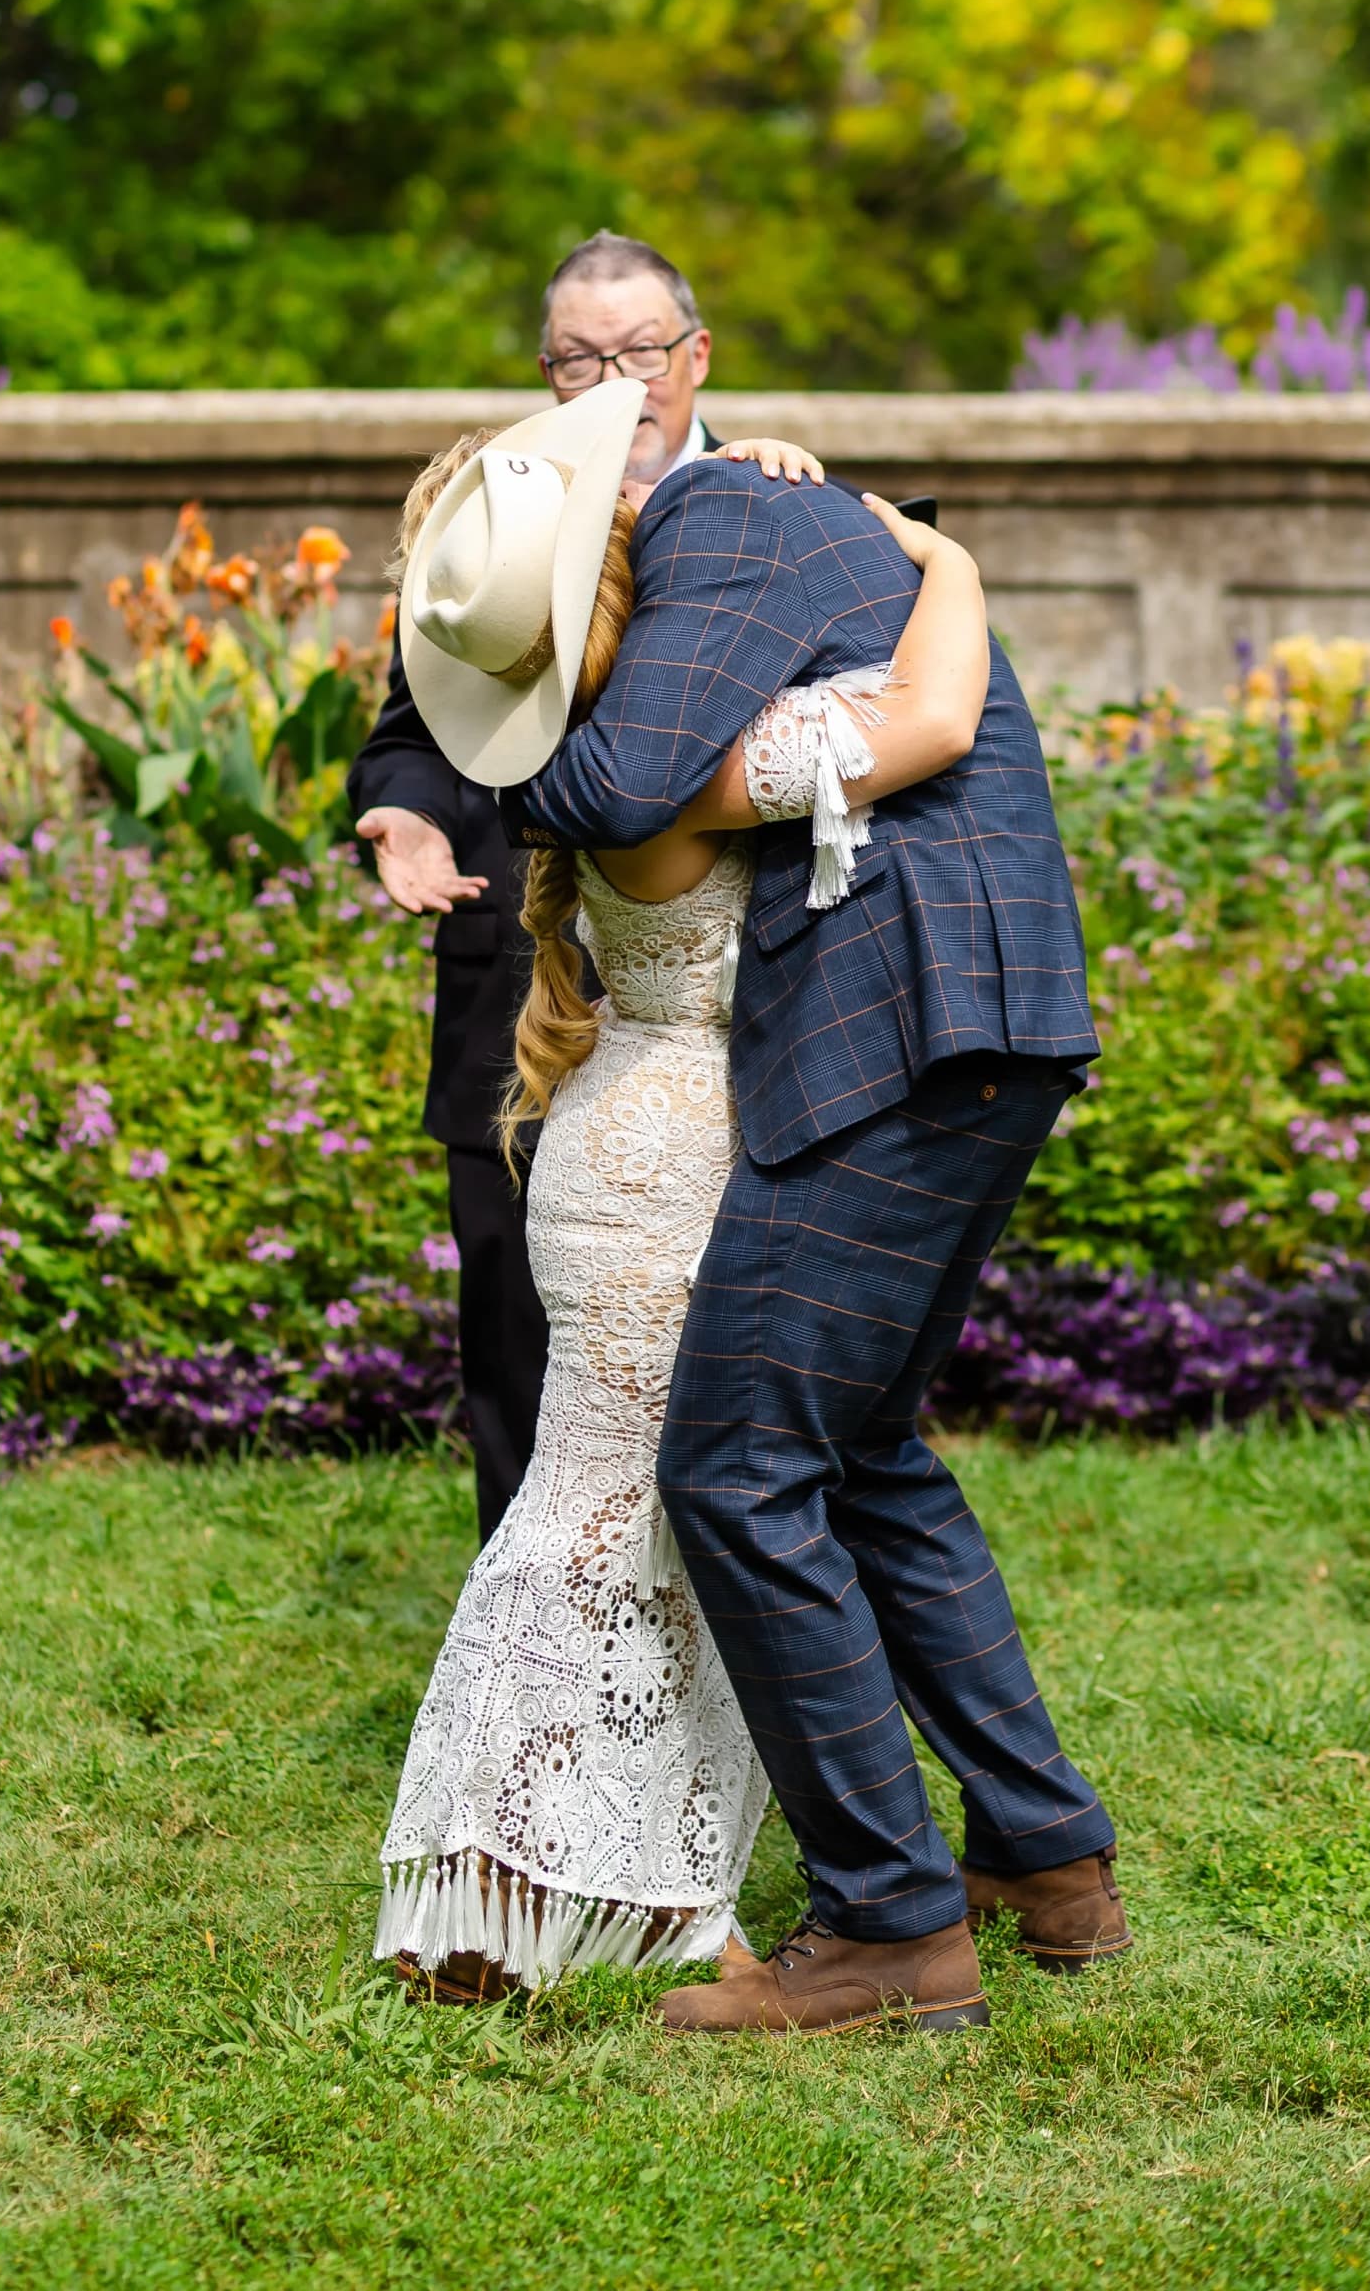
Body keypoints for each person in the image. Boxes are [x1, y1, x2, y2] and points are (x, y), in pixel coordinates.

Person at [506, 391, 1129, 2037]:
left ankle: (886, 1928)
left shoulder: (710, 548)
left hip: (900, 1052)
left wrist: (914, 543)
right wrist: (943, 550)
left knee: (736, 1466)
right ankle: (1048, 1857)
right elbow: (910, 712)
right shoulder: (773, 600)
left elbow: (640, 771)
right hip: (987, 1031)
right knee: (863, 1455)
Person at [372, 383, 990, 2002]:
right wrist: (940, 554)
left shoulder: (584, 737)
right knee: (660, 1528)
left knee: (580, 1515)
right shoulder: (676, 760)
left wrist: (752, 479)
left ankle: (504, 1877)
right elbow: (927, 719)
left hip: (606, 1144)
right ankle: (631, 1890)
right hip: (686, 1152)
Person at [347, 232, 719, 1543]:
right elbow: (414, 723)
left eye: (637, 353)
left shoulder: (781, 506)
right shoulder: (493, 511)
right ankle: (519, 1643)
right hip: (517, 998)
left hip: (725, 1010)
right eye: (577, 357)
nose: (611, 379)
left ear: (696, 359)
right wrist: (395, 812)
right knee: (511, 1338)